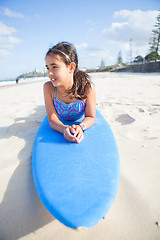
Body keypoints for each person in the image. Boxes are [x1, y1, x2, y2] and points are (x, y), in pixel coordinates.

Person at [43, 41, 96, 143]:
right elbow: (52, 119)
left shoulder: (88, 88)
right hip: (61, 121)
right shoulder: (48, 88)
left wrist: (80, 127)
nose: (49, 73)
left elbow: (90, 116)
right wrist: (64, 129)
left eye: (54, 67)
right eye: (48, 68)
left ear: (71, 67)